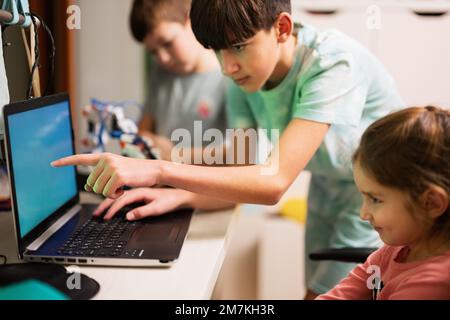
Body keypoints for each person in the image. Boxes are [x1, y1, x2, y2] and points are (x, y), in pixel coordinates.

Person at [52, 0, 404, 299]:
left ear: (281, 28)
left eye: (237, 46)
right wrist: (170, 183)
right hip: (330, 184)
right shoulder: (244, 76)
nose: (226, 66)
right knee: (315, 289)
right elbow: (237, 159)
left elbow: (274, 182)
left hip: (384, 193)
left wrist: (160, 170)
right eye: (217, 51)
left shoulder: (329, 62)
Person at [317, 106, 450, 300]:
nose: (363, 214)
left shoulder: (434, 283)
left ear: (431, 203)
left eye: (375, 199)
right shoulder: (395, 251)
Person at [130, 0, 228, 159]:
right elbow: (144, 130)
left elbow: (239, 153)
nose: (163, 58)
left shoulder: (229, 77)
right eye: (153, 52)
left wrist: (175, 155)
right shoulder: (160, 73)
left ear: (188, 20)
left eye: (168, 43)